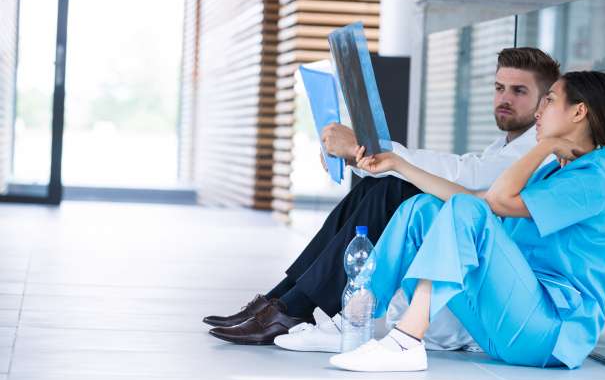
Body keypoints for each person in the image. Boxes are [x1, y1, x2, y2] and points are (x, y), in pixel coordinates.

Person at [203, 47, 561, 347]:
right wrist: (369, 159)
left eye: (518, 91)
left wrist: (371, 150)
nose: (504, 99)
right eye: (499, 88)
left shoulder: (538, 151)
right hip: (471, 265)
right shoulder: (507, 145)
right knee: (378, 188)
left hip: (490, 291)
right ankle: (283, 299)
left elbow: (464, 176)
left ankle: (299, 306)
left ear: (545, 102)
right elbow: (464, 170)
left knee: (394, 188)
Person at [329, 70, 605, 372]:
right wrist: (399, 165)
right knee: (423, 209)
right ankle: (352, 323)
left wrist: (545, 145)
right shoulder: (553, 172)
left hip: (549, 332)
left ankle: (406, 341)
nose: (538, 111)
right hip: (506, 323)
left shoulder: (594, 178)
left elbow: (494, 202)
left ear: (579, 111)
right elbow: (477, 200)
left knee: (463, 209)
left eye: (548, 101)